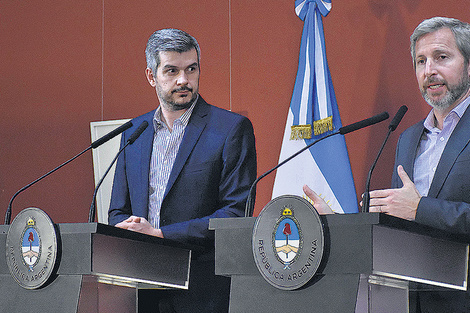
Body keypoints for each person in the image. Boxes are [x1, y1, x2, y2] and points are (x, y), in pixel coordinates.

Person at [306, 16, 470, 312]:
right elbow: (398, 230)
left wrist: (419, 208)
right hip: (407, 300)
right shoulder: (407, 138)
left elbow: (416, 210)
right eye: (420, 61)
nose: (429, 70)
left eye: (441, 57)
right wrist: (340, 224)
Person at [108, 28, 257, 312]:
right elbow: (117, 210)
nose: (183, 80)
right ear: (151, 76)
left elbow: (235, 213)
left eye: (191, 69)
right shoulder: (133, 133)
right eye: (172, 71)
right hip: (140, 287)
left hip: (202, 289)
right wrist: (128, 229)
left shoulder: (230, 129)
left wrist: (161, 235)